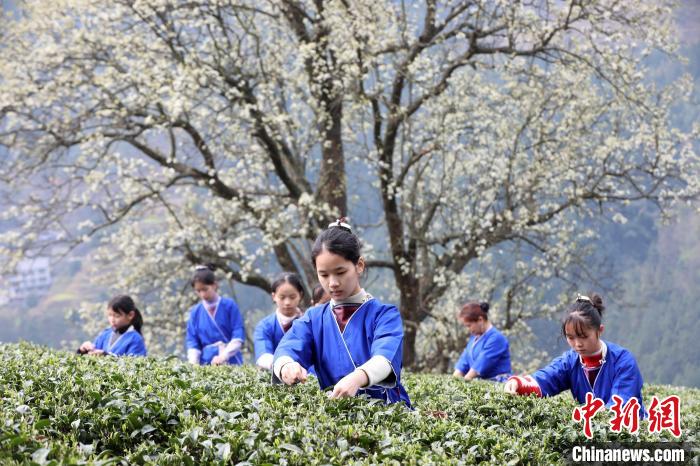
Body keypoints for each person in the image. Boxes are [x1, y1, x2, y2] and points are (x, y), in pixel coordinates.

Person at [272, 218, 411, 406]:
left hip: (388, 414)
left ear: (359, 265)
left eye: (340, 272)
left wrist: (357, 378)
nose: (333, 283)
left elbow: (385, 358)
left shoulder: (384, 315)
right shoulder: (313, 319)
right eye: (324, 274)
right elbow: (288, 347)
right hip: (337, 414)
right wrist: (286, 366)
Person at [504, 294, 646, 416]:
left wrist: (601, 412)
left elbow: (621, 402)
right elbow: (546, 378)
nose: (578, 344)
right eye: (570, 337)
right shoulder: (570, 361)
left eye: (583, 336)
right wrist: (518, 383)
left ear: (599, 331)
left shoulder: (622, 361)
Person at [185, 264, 245, 366]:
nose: (202, 294)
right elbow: (192, 341)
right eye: (198, 291)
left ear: (214, 285)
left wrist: (224, 356)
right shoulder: (195, 312)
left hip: (231, 359)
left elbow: (238, 333)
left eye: (205, 289)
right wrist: (193, 364)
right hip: (206, 362)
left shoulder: (229, 305)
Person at [254, 272, 306, 370]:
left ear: (300, 295)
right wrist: (283, 366)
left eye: (292, 297)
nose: (287, 302)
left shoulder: (309, 321)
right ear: (274, 296)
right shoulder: (265, 326)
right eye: (282, 297)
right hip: (277, 373)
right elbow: (263, 355)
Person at [452, 302, 511, 382]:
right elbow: (463, 363)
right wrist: (454, 380)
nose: (468, 329)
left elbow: (480, 365)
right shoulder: (473, 338)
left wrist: (464, 382)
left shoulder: (496, 338)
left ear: (480, 320)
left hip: (498, 384)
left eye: (469, 326)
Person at [77, 295, 147, 357]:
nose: (112, 320)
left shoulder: (135, 339)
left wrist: (106, 356)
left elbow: (135, 363)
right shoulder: (105, 334)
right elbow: (92, 354)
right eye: (110, 315)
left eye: (117, 316)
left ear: (130, 315)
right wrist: (84, 350)